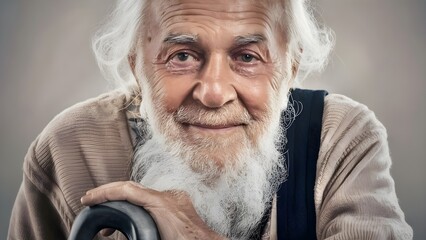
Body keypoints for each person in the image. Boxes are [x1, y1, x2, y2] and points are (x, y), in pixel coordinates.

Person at [8, 0, 413, 239]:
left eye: (248, 57)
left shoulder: (343, 140)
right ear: (136, 66)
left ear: (290, 69)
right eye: (182, 56)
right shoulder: (71, 146)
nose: (214, 92)